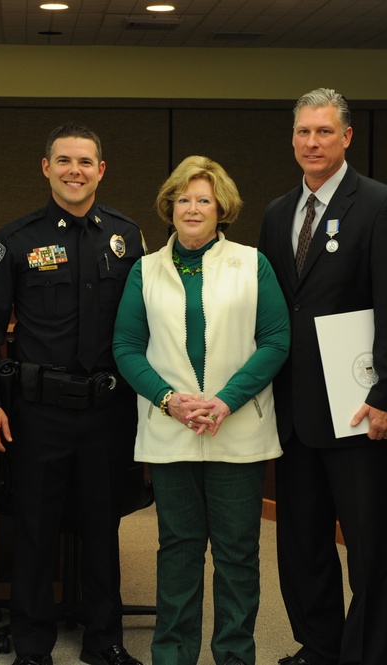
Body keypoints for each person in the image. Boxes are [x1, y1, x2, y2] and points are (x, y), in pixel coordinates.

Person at [0, 123, 145, 665]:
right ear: (46, 168)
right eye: (63, 161)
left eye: (85, 162)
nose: (74, 171)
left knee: (102, 530)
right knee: (36, 534)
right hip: (37, 413)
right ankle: (32, 647)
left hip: (108, 411)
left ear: (101, 170)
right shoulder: (14, 240)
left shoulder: (127, 237)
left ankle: (104, 641)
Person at [257, 88, 387, 665]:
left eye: (324, 132)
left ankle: (364, 656)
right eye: (303, 132)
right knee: (302, 546)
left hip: (359, 410)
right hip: (296, 413)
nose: (312, 142)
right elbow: (276, 311)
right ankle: (319, 646)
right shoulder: (278, 214)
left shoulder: (381, 205)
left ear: (346, 137)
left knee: (370, 551)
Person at [113, 156, 290, 665]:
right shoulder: (144, 270)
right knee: (179, 550)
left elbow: (276, 340)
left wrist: (226, 400)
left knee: (237, 553)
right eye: (183, 199)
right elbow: (126, 346)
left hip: (237, 430)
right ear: (169, 207)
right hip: (171, 430)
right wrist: (169, 401)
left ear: (222, 209)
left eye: (204, 200)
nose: (192, 208)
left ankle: (234, 654)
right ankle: (172, 654)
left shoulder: (252, 263)